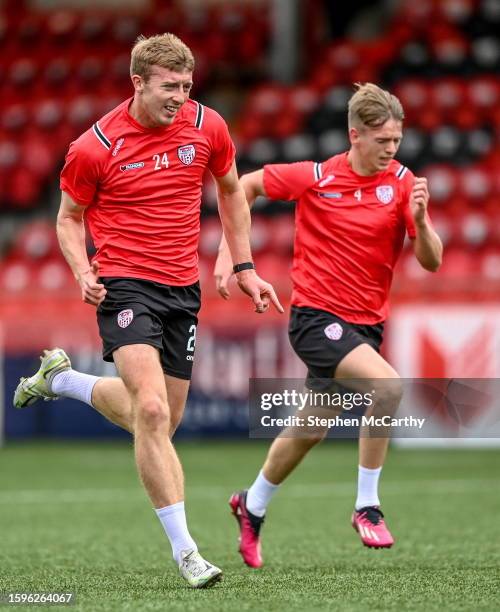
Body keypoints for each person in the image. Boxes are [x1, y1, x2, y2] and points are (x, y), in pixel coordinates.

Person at [13, 32, 282, 588]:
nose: (180, 97)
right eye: (168, 87)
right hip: (124, 287)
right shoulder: (96, 146)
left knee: (160, 418)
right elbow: (68, 217)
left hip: (183, 289)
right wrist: (83, 271)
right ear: (137, 82)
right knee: (153, 413)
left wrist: (243, 264)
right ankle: (187, 552)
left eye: (186, 86)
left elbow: (232, 190)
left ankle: (62, 382)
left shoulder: (208, 125)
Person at [214, 83, 442, 568]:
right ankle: (368, 506)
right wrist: (232, 255)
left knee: (310, 429)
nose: (391, 150)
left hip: (366, 325)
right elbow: (243, 187)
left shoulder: (403, 182)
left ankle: (250, 505)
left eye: (397, 141)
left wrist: (420, 223)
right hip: (317, 318)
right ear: (355, 135)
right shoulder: (315, 177)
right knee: (388, 387)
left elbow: (432, 262)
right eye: (383, 141)